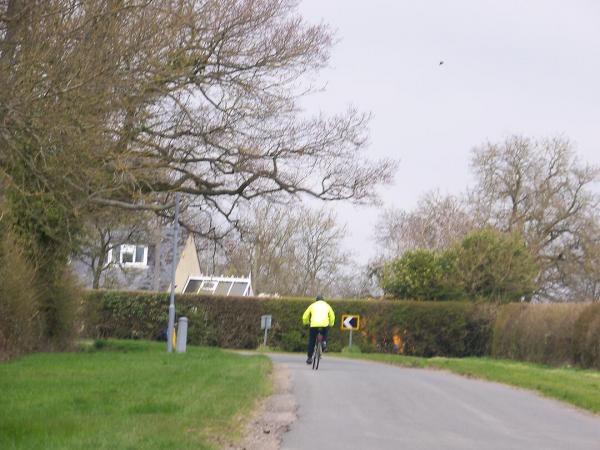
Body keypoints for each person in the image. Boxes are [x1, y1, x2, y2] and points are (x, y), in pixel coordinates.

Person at [302, 294, 335, 365]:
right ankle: (324, 343)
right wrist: (331, 324)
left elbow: (305, 316)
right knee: (325, 333)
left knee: (312, 341)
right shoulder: (327, 305)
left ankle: (309, 358)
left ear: (316, 300)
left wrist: (306, 322)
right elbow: (332, 316)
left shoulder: (312, 305)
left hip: (314, 325)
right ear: (323, 300)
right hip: (324, 324)